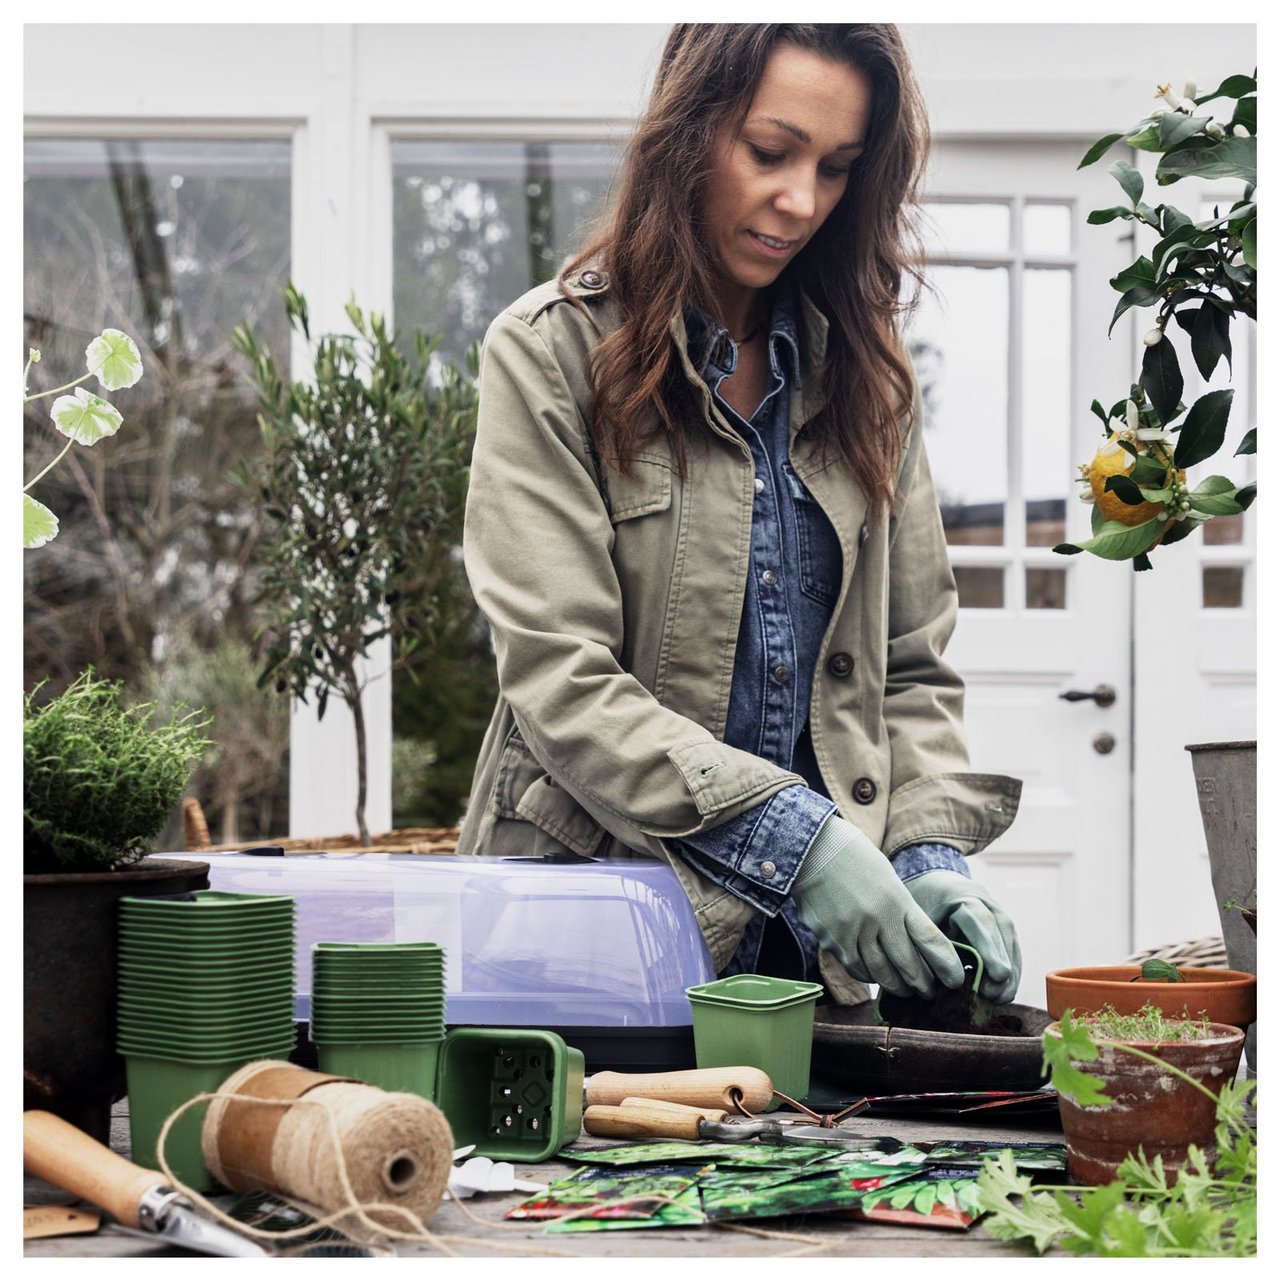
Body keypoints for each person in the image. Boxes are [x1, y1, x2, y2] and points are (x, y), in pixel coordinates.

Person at [456, 23, 1024, 1008]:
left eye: (836, 168)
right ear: (687, 133)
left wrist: (928, 851)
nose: (800, 201)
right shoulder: (548, 355)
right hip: (590, 949)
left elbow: (913, 673)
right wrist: (797, 843)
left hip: (814, 975)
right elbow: (562, 679)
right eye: (770, 152)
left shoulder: (870, 385)